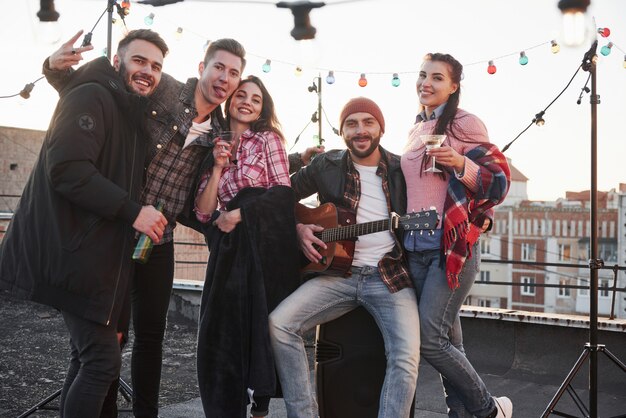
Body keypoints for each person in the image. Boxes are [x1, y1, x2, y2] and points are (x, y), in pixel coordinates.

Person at [45, 35, 322, 417]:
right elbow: (108, 99)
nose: (225, 78)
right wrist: (55, 73)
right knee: (109, 340)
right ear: (202, 68)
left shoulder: (221, 130)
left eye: (233, 73)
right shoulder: (166, 91)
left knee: (151, 340)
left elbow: (255, 171)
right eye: (219, 68)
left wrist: (295, 179)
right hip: (122, 228)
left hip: (162, 236)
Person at [0, 29, 169, 417]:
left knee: (86, 357)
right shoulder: (94, 94)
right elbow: (68, 168)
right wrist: (134, 211)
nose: (148, 71)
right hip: (73, 251)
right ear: (117, 62)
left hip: (92, 256)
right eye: (139, 61)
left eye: (156, 66)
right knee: (101, 361)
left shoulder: (126, 109)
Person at [269, 97, 420, 418]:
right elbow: (280, 196)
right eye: (352, 124)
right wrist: (298, 228)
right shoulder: (327, 166)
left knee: (406, 356)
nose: (360, 130)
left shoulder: (400, 169)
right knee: (279, 324)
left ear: (381, 127)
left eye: (368, 122)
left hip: (389, 278)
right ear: (342, 131)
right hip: (337, 275)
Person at [401, 52, 512, 418]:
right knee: (449, 340)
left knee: (431, 340)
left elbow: (496, 183)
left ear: (453, 86)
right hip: (415, 247)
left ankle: (489, 409)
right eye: (422, 75)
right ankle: (460, 413)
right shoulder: (416, 127)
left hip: (451, 248)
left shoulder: (466, 124)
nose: (426, 83)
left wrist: (460, 163)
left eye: (436, 77)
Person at [194, 75, 301, 417]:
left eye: (256, 99)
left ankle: (260, 404)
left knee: (260, 324)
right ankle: (227, 407)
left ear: (261, 109)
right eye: (242, 95)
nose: (248, 102)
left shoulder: (268, 139)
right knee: (220, 330)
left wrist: (239, 214)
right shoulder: (213, 144)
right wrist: (217, 168)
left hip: (263, 243)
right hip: (228, 248)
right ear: (230, 100)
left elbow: (283, 194)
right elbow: (204, 211)